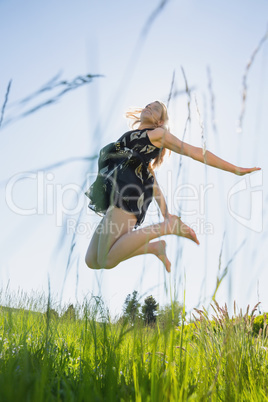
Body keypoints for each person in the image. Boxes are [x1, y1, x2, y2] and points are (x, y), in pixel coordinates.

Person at [84, 101, 260, 272]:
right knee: (92, 260)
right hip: (121, 192)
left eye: (155, 109)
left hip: (128, 194)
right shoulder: (136, 152)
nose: (149, 107)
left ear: (159, 122)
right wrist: (166, 212)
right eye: (148, 105)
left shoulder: (158, 134)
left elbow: (196, 152)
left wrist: (234, 169)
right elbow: (152, 184)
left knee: (106, 260)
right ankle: (155, 247)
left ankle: (167, 227)